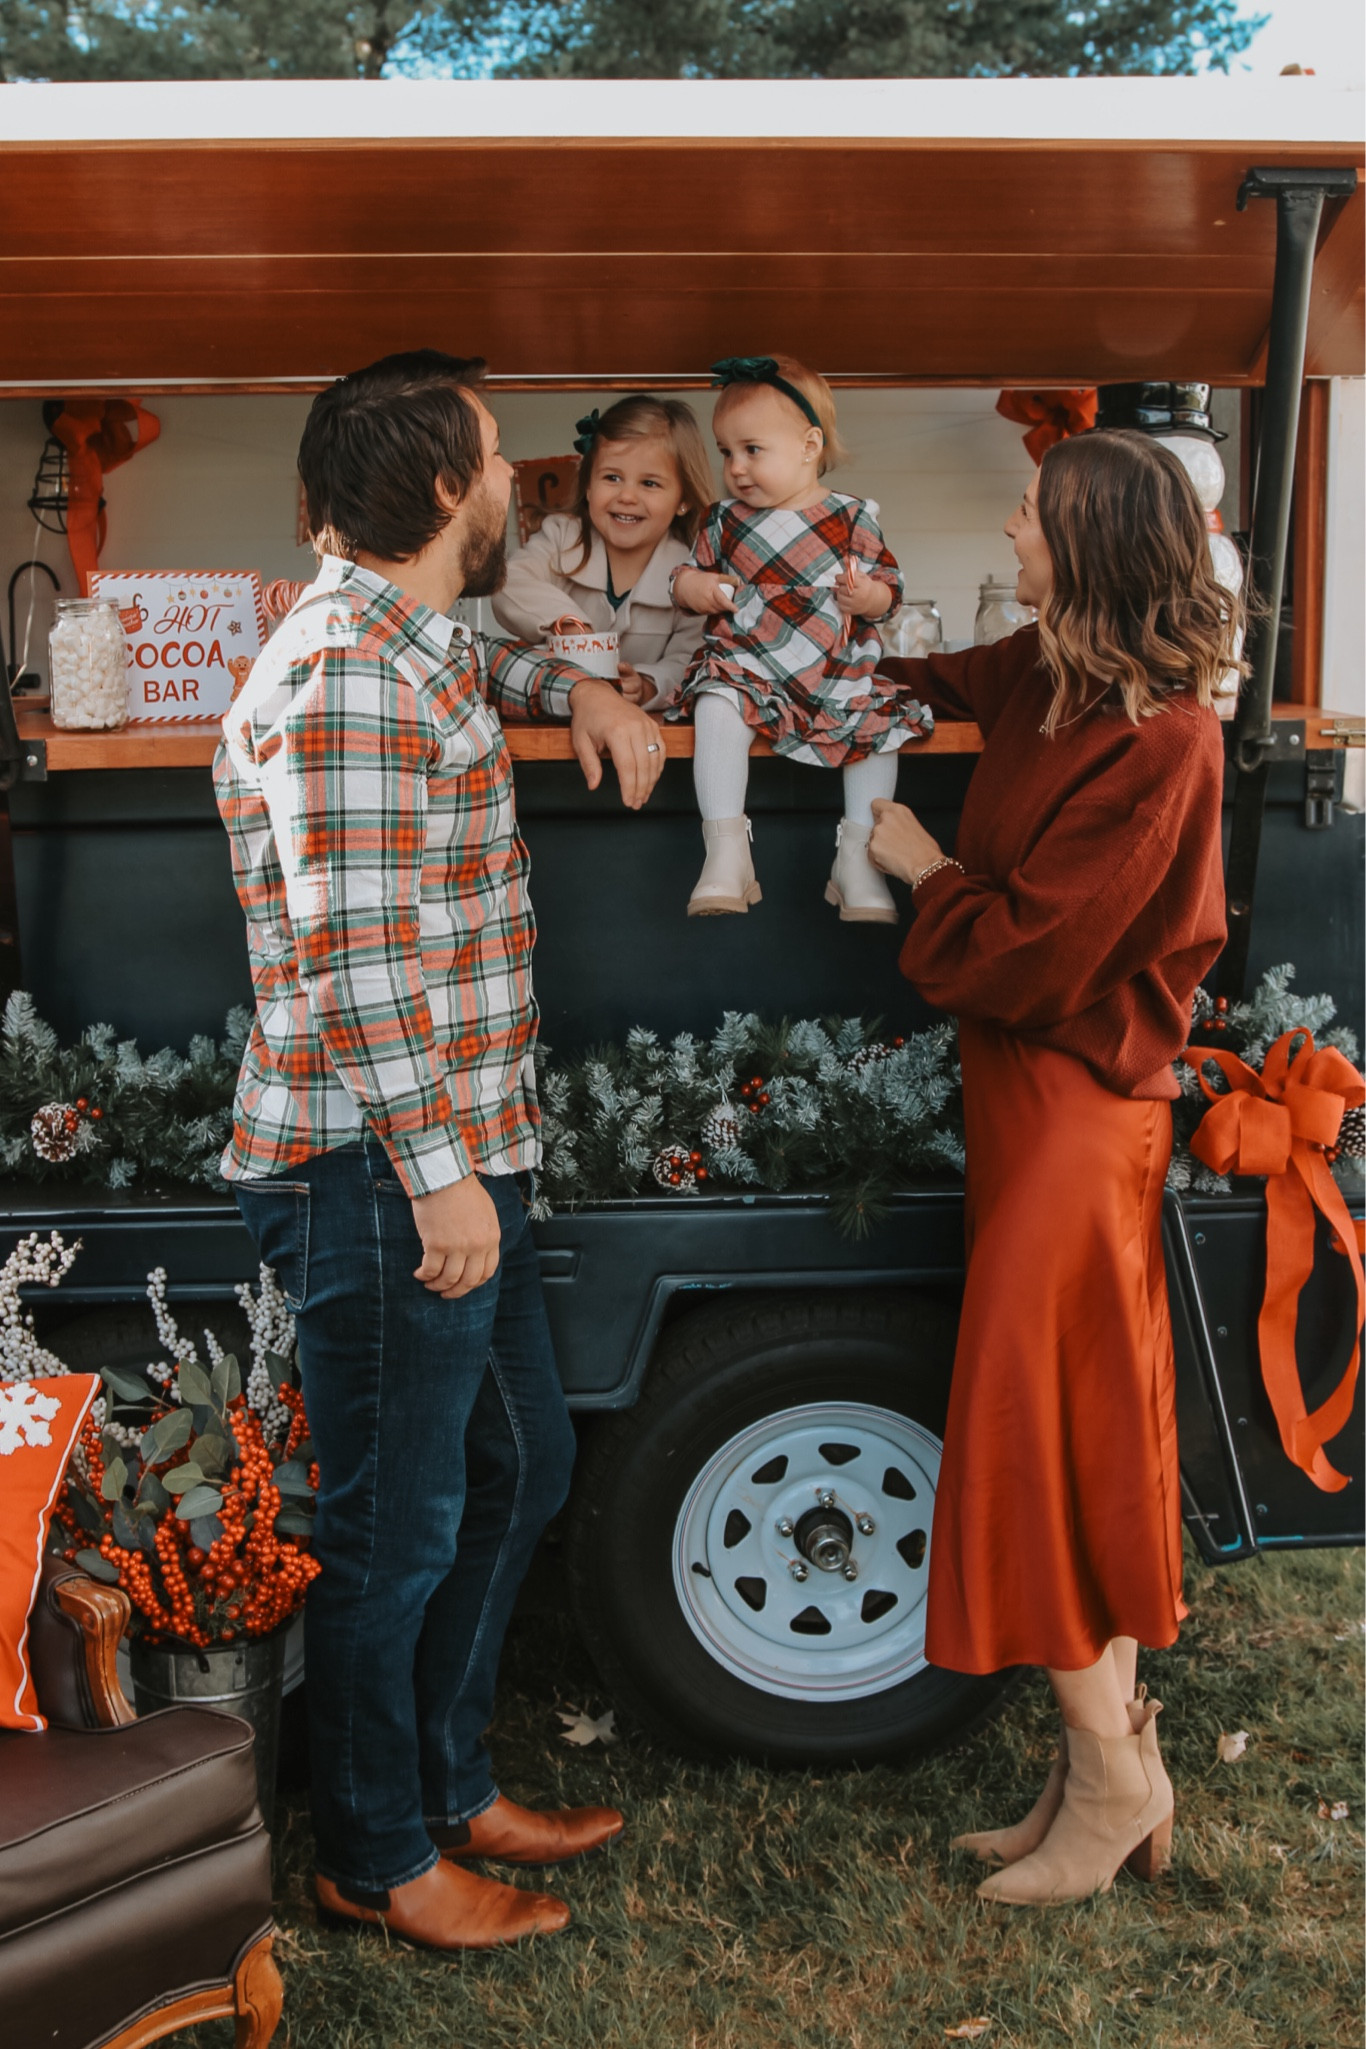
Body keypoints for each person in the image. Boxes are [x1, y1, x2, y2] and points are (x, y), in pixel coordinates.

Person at [214, 350, 665, 1952]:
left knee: (516, 1465)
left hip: (447, 1150)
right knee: (390, 1526)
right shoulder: (342, 672)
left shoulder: (409, 646)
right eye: (491, 459)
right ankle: (374, 1852)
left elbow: (498, 665)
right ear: (429, 488)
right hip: (382, 1172)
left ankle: (446, 1777)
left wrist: (592, 682)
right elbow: (353, 960)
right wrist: (437, 1173)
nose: (513, 483)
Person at [868, 430, 1237, 1906]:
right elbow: (917, 680)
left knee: (1041, 1440)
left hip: (1075, 1121)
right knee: (1081, 1427)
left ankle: (1107, 1778)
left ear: (1082, 549)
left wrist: (922, 868)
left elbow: (1033, 954)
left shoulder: (1167, 743)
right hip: (1033, 1115)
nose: (1007, 535)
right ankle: (1107, 1763)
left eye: (1024, 518)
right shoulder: (1041, 675)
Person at [669, 354, 930, 922]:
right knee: (716, 702)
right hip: (751, 662)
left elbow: (889, 588)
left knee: (877, 728)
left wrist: (867, 600)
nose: (736, 467)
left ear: (810, 446)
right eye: (725, 451)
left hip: (832, 668)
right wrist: (702, 587)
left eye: (752, 450)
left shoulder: (852, 516)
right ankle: (726, 851)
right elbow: (682, 578)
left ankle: (858, 858)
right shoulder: (722, 520)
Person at [493, 393, 712, 710]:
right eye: (612, 477)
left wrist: (648, 684)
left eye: (649, 483)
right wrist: (572, 627)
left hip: (642, 732)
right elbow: (509, 580)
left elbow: (689, 659)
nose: (626, 496)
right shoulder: (561, 536)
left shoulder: (692, 574)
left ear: (683, 500)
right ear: (588, 486)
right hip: (555, 719)